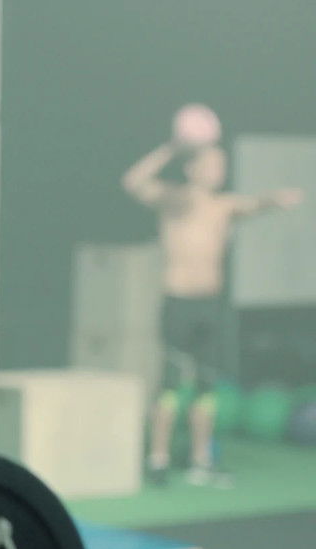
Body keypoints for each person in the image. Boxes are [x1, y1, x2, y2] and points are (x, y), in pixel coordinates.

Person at [121, 104, 302, 484]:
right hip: (179, 303)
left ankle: (201, 461)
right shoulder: (173, 200)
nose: (219, 170)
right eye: (211, 164)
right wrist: (173, 147)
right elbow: (133, 181)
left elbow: (254, 204)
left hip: (209, 306)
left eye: (222, 165)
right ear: (192, 168)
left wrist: (275, 199)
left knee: (207, 386)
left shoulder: (223, 206)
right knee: (171, 385)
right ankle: (158, 459)